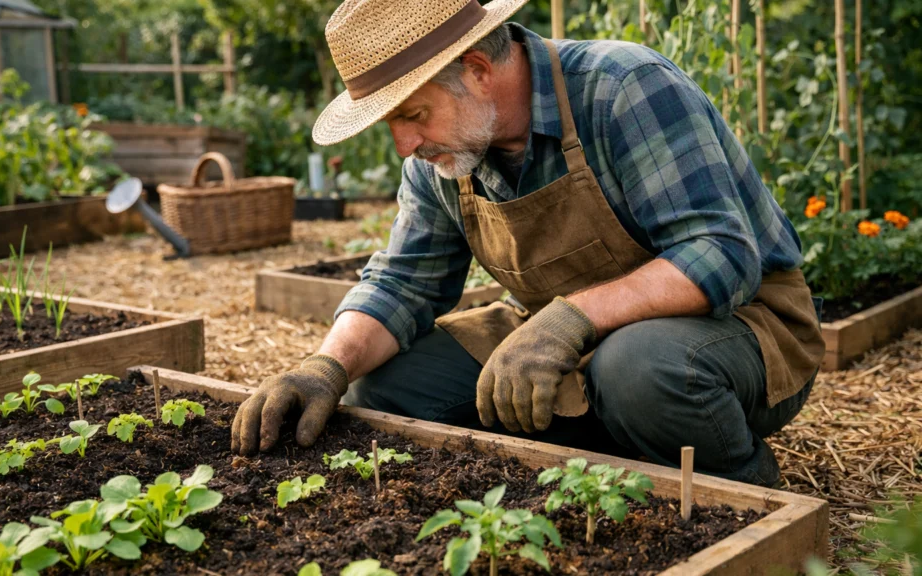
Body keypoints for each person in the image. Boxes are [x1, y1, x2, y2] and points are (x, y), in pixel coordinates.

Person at [231, 0, 825, 487]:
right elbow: (404, 282)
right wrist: (325, 367)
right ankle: (611, 451)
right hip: (561, 334)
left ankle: (744, 490)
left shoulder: (623, 87)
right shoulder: (444, 154)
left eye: (414, 114)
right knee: (381, 389)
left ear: (478, 71)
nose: (404, 145)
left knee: (638, 370)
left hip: (741, 329)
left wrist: (572, 318)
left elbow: (720, 254)